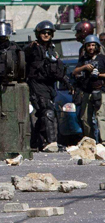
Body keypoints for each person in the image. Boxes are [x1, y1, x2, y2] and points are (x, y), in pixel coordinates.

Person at [25, 20, 68, 149]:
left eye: (49, 33)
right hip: (37, 84)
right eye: (43, 33)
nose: (46, 35)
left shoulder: (52, 50)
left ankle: (35, 142)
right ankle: (51, 143)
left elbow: (58, 69)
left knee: (43, 114)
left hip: (49, 86)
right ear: (38, 34)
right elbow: (25, 55)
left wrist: (67, 83)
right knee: (48, 111)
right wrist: (30, 48)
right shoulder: (34, 48)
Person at [72, 35, 105, 140]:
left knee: (101, 117)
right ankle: (89, 140)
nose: (91, 48)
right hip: (87, 92)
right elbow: (74, 72)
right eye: (89, 45)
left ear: (97, 46)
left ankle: (103, 141)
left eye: (93, 45)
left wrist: (98, 74)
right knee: (85, 118)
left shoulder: (102, 58)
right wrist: (84, 67)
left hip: (101, 91)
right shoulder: (83, 60)